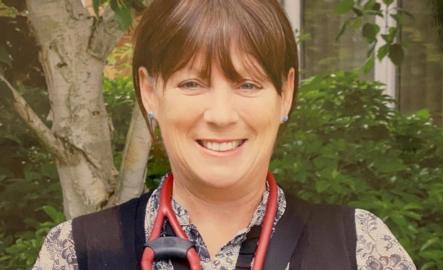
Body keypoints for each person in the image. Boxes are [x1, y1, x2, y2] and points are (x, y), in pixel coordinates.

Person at [33, 0, 416, 269]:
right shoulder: (73, 254)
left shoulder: (361, 248)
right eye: (192, 83)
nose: (220, 115)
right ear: (150, 90)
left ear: (285, 93)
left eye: (247, 85)